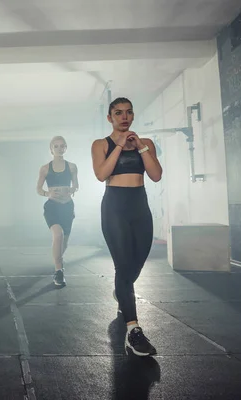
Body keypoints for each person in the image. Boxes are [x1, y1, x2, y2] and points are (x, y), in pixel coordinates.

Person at [91, 97, 162, 357]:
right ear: (110, 118)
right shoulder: (101, 144)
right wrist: (120, 146)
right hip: (114, 207)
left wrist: (141, 146)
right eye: (118, 113)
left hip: (139, 206)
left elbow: (155, 175)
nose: (124, 117)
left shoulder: (146, 145)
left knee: (137, 262)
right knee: (123, 265)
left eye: (128, 112)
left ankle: (122, 289)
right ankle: (134, 329)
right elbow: (101, 174)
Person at [36, 136, 79, 286]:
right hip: (52, 206)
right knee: (57, 233)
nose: (59, 149)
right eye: (56, 146)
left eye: (62, 146)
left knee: (63, 242)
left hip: (67, 206)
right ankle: (59, 270)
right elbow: (38, 189)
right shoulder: (45, 168)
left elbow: (76, 185)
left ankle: (58, 260)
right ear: (51, 149)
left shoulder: (72, 167)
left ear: (66, 148)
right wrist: (48, 193)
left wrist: (72, 189)